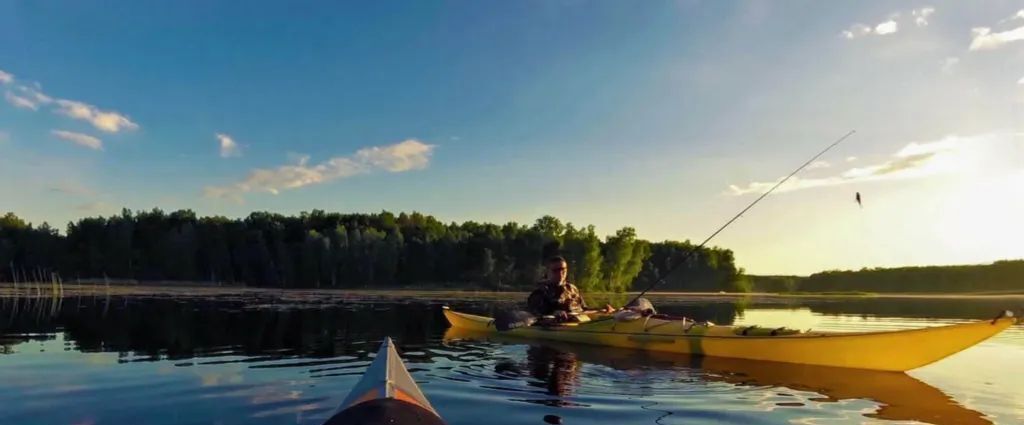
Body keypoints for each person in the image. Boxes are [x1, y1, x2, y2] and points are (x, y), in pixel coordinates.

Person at [527, 256, 613, 321]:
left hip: (579, 321)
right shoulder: (540, 292)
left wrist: (601, 309)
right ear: (548, 272)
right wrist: (554, 313)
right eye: (555, 270)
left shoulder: (572, 289)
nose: (560, 274)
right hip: (557, 325)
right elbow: (534, 315)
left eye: (563, 270)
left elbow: (583, 309)